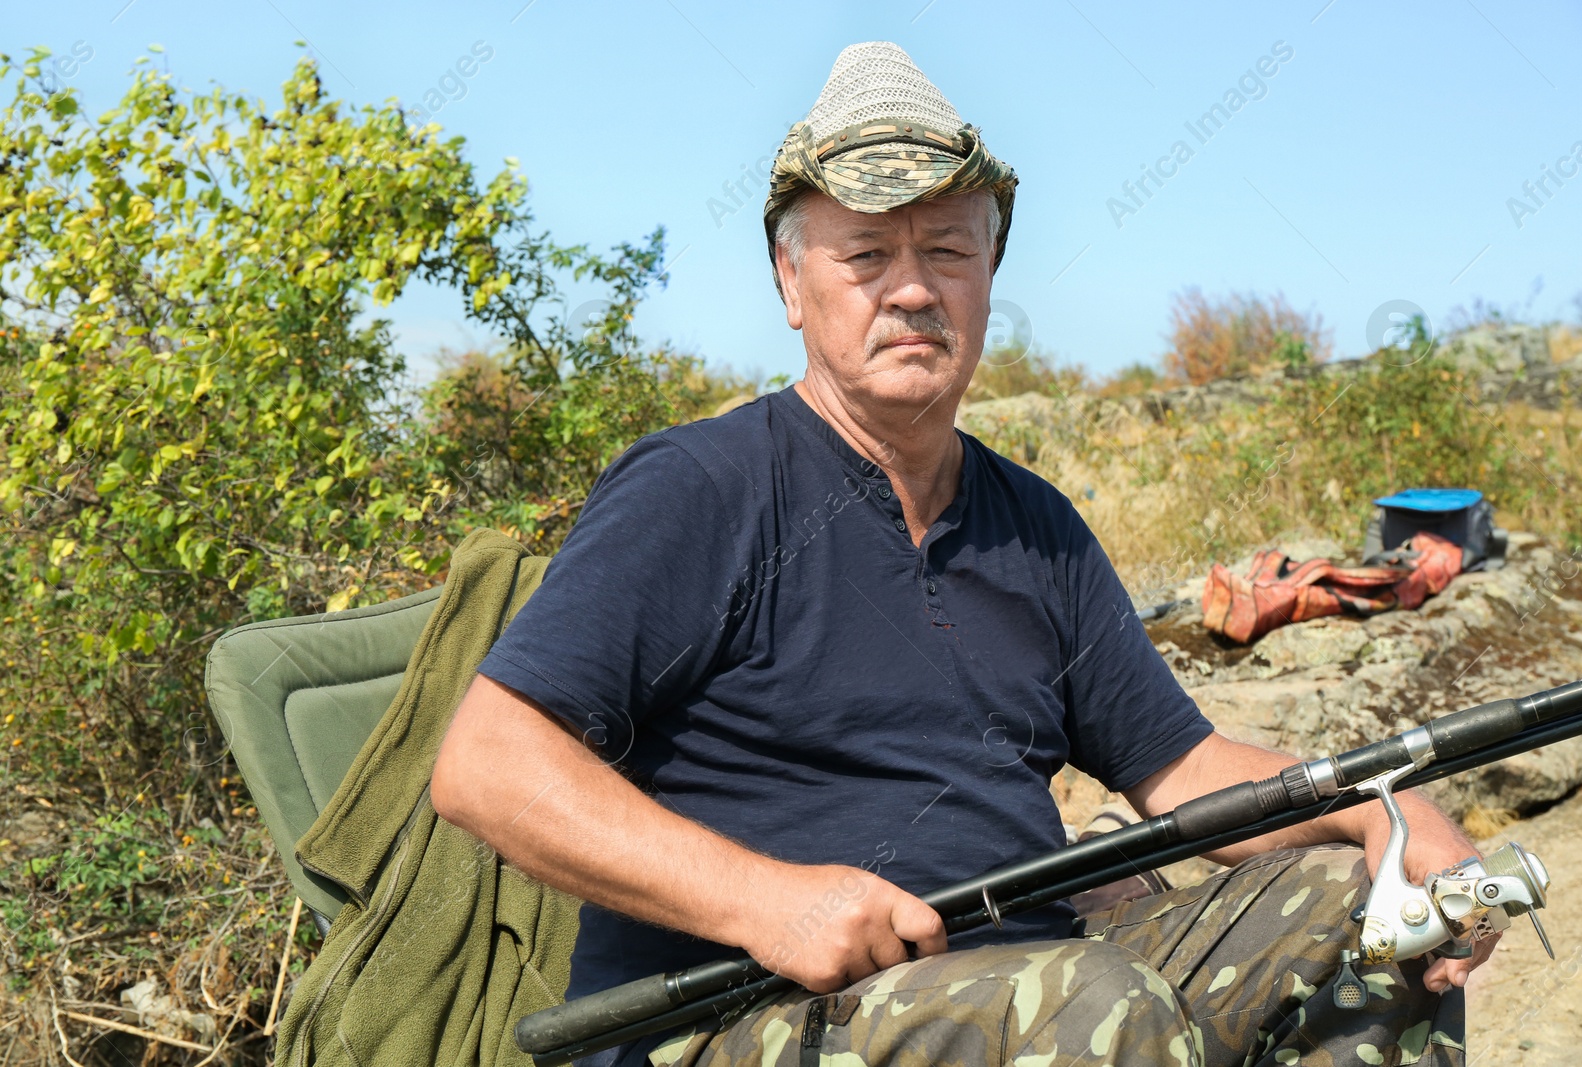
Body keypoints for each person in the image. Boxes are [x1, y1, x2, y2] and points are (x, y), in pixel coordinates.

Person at [432, 41, 1492, 1067]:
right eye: (865, 254)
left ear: (989, 270)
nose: (911, 288)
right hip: (735, 1015)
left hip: (1034, 975)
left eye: (946, 248)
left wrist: (1389, 810)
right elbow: (488, 764)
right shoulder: (697, 489)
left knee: (1365, 903)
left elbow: (1186, 772)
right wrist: (767, 900)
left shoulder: (1033, 522)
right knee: (1094, 1004)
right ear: (791, 284)